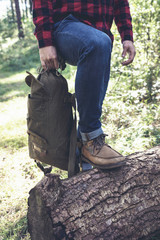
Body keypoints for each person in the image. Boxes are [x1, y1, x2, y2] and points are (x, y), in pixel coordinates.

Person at [32, 0, 136, 171]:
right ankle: (91, 138)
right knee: (97, 43)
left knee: (100, 43)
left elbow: (121, 3)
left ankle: (84, 158)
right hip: (64, 25)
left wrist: (127, 36)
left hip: (99, 34)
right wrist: (45, 42)